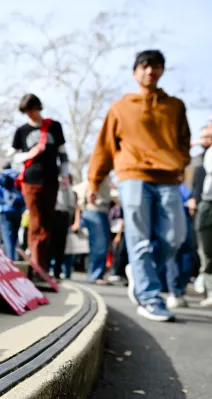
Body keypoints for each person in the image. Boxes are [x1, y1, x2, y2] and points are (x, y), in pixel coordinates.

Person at [87, 50, 191, 321]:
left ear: (161, 71)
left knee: (174, 237)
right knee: (139, 238)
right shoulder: (121, 107)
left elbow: (184, 141)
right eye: (144, 66)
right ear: (135, 73)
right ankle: (149, 297)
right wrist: (93, 181)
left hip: (167, 176)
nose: (149, 71)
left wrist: (180, 163)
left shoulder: (175, 106)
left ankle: (140, 272)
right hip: (132, 174)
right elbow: (104, 148)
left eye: (155, 66)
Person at [8, 93, 70, 273]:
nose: (30, 114)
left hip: (51, 180)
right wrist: (30, 154)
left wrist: (65, 176)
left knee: (47, 223)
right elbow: (12, 157)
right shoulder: (21, 131)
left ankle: (42, 265)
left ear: (38, 108)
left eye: (32, 110)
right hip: (30, 181)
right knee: (35, 221)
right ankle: (36, 265)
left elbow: (63, 154)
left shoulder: (54, 127)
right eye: (26, 112)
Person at [75, 177, 112, 285]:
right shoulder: (94, 176)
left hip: (101, 210)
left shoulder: (103, 177)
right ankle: (95, 274)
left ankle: (96, 273)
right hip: (95, 209)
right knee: (99, 244)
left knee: (101, 245)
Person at [0, 162, 25, 260]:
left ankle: (11, 261)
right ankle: (14, 259)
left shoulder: (0, 178)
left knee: (7, 237)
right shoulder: (18, 175)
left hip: (5, 211)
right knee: (15, 237)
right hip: (18, 210)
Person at [192, 125, 212, 307]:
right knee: (205, 250)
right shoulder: (201, 158)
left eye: (207, 136)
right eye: (202, 137)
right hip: (206, 204)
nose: (204, 140)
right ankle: (209, 289)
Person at [50, 175, 75, 279]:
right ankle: (53, 269)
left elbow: (71, 204)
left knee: (58, 245)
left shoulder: (66, 186)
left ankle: (55, 270)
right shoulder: (64, 185)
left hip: (60, 215)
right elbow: (71, 204)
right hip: (57, 214)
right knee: (56, 245)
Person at [109, 202, 128, 284]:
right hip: (114, 231)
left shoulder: (123, 208)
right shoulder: (114, 208)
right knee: (115, 253)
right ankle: (115, 272)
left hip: (120, 233)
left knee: (119, 253)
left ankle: (117, 272)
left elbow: (123, 221)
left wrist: (118, 235)